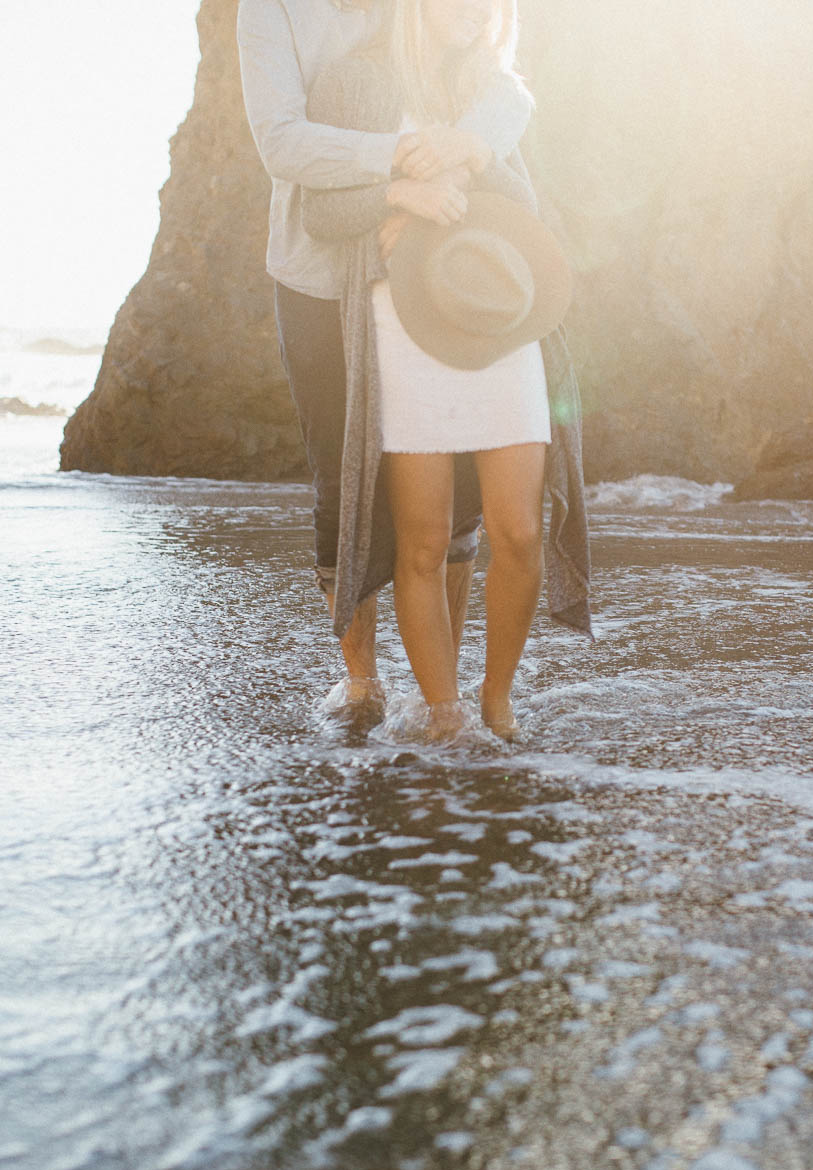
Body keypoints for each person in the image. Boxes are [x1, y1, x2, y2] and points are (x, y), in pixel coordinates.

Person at [236, 0, 535, 725]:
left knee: (449, 487)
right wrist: (400, 169)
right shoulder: (274, 10)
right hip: (318, 277)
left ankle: (449, 691)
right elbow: (282, 143)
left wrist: (469, 144)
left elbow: (499, 79)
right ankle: (362, 681)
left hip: (423, 283)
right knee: (344, 480)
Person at [301, 0, 590, 743]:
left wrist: (463, 165)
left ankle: (497, 696)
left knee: (520, 529)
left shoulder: (492, 93)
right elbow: (321, 214)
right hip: (400, 324)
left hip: (495, 315)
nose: (475, 9)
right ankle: (446, 712)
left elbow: (525, 204)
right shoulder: (355, 84)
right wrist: (398, 196)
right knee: (422, 541)